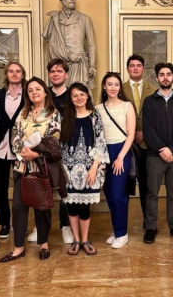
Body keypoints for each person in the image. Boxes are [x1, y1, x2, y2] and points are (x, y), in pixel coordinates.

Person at [0, 77, 63, 262]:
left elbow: (55, 140)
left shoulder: (53, 114)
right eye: (31, 90)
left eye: (38, 89)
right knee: (18, 206)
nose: (34, 92)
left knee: (41, 206)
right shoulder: (23, 113)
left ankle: (44, 244)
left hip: (41, 166)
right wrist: (23, 151)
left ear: (45, 91)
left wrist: (36, 154)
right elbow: (15, 136)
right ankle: (18, 248)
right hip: (22, 166)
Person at [142, 63, 173, 244]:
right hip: (155, 156)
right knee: (152, 193)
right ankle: (150, 227)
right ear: (156, 78)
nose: (165, 77)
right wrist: (163, 149)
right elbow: (148, 130)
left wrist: (172, 149)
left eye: (168, 74)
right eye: (161, 74)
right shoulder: (149, 102)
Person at [60, 82, 109, 255]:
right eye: (75, 95)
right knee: (71, 205)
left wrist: (94, 168)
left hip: (89, 168)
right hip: (68, 169)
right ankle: (76, 240)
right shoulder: (65, 117)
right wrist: (62, 170)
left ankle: (85, 239)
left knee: (85, 206)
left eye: (82, 94)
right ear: (71, 99)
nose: (79, 98)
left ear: (87, 96)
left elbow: (101, 142)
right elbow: (59, 144)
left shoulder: (95, 117)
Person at [31, 58, 73, 245]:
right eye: (52, 71)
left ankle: (66, 226)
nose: (55, 74)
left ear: (66, 74)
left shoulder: (73, 95)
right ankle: (39, 227)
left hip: (66, 148)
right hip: (43, 150)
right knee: (41, 187)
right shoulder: (43, 94)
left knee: (64, 190)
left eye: (59, 71)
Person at [0, 61, 26, 239]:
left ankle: (20, 224)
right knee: (0, 190)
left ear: (23, 75)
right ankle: (4, 223)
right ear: (6, 74)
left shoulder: (28, 96)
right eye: (11, 71)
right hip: (0, 149)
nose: (14, 74)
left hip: (21, 151)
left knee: (22, 190)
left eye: (18, 71)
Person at [96, 72, 136, 249]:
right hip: (105, 152)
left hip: (121, 151)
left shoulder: (127, 106)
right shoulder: (98, 109)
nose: (113, 88)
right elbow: (97, 136)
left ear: (120, 87)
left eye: (116, 84)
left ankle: (122, 233)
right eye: (109, 84)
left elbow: (131, 134)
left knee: (119, 194)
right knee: (110, 194)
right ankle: (116, 229)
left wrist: (120, 157)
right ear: (104, 86)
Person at [122, 54, 156, 227]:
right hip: (124, 144)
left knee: (146, 184)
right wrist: (131, 132)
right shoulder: (119, 89)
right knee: (125, 184)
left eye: (139, 65)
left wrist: (145, 133)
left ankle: (147, 219)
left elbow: (157, 117)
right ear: (128, 68)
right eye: (132, 65)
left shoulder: (153, 89)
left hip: (146, 144)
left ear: (143, 68)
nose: (135, 68)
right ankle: (122, 222)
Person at [43, 0, 96, 89]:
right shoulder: (54, 20)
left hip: (80, 64)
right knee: (61, 97)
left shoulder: (85, 19)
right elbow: (52, 46)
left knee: (81, 95)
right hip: (61, 67)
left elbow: (91, 44)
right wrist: (68, 55)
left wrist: (92, 65)